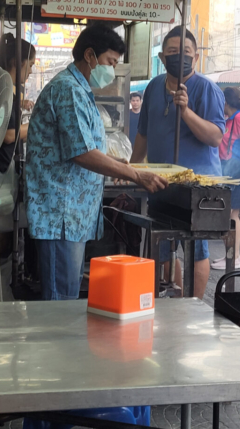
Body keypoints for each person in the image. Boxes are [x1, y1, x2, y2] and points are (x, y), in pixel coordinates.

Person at [25, 24, 167, 301]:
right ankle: (58, 344)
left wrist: (115, 161)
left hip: (72, 212)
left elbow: (84, 145)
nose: (112, 70)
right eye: (109, 62)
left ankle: (65, 343)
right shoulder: (69, 90)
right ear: (90, 55)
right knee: (60, 299)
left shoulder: (80, 89)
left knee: (67, 292)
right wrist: (135, 175)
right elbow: (82, 152)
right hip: (61, 213)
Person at [131, 25, 225, 299]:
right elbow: (143, 133)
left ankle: (192, 305)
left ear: (196, 57)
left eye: (185, 52)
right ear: (162, 57)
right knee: (159, 246)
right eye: (172, 52)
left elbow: (216, 137)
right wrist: (131, 168)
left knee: (196, 249)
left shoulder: (206, 89)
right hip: (159, 182)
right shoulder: (153, 87)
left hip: (196, 187)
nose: (179, 57)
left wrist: (186, 111)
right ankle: (167, 303)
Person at [211, 87, 240, 271]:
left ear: (226, 102)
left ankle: (235, 257)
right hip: (227, 170)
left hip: (239, 171)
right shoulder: (228, 119)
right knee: (227, 214)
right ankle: (230, 254)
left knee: (232, 215)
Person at [0, 34, 35, 173]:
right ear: (17, 62)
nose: (31, 71)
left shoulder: (8, 93)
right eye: (30, 65)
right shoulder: (2, 91)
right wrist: (37, 124)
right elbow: (8, 135)